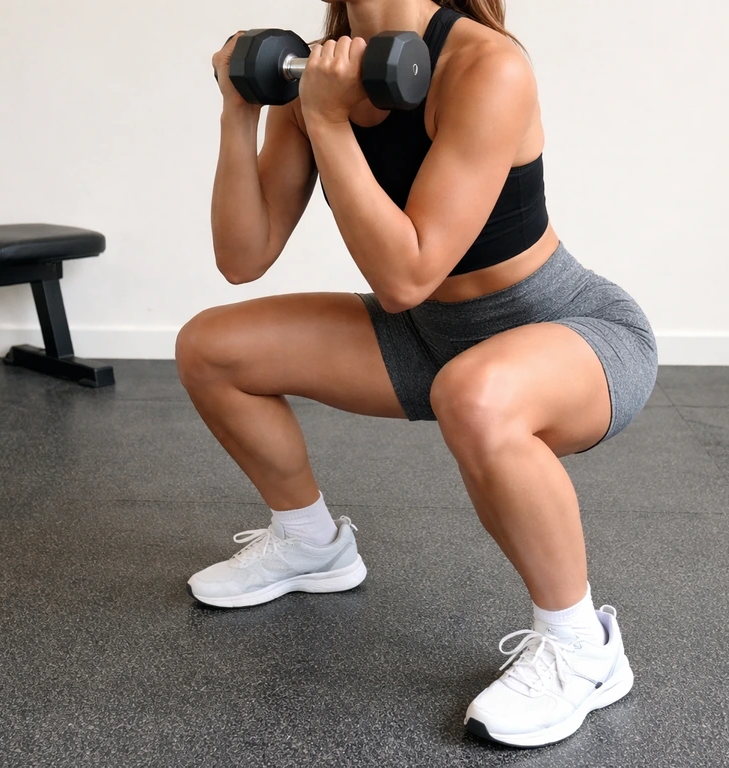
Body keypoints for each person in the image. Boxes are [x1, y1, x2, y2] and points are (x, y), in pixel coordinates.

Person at [176, 0, 658, 748]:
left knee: (473, 390)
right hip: (430, 339)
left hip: (570, 332)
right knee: (211, 347)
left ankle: (582, 649)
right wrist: (240, 112)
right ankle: (310, 545)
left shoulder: (486, 67)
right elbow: (243, 256)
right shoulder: (324, 71)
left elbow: (407, 274)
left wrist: (329, 121)